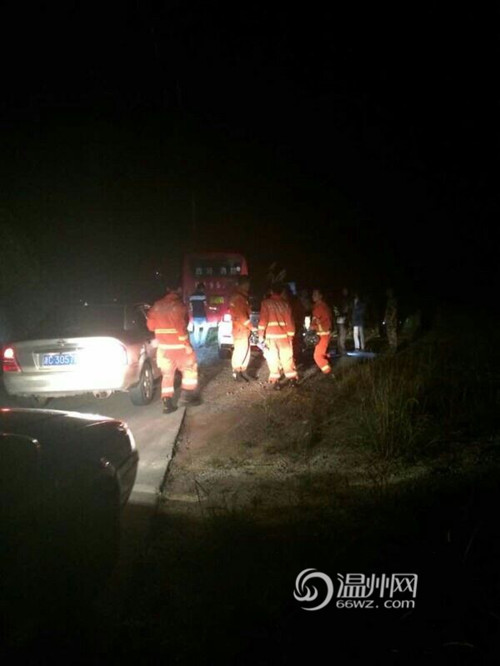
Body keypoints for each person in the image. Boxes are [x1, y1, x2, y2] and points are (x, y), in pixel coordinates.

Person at [147, 286, 201, 413]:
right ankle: (187, 398)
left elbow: (150, 327)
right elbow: (181, 328)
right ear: (179, 290)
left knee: (167, 375)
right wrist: (187, 345)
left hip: (163, 349)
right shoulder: (179, 306)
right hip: (179, 348)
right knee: (189, 370)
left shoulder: (156, 306)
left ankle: (167, 404)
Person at [258, 283, 298, 389]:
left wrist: (261, 336)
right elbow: (290, 322)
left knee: (272, 358)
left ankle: (276, 383)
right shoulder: (285, 304)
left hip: (270, 337)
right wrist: (290, 337)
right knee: (287, 357)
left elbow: (263, 321)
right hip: (284, 337)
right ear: (282, 292)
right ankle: (292, 380)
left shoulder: (265, 303)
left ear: (271, 291)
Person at [229, 276, 256, 381]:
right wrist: (251, 327)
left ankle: (241, 371)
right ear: (242, 285)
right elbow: (242, 316)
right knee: (241, 350)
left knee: (245, 350)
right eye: (247, 285)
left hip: (241, 329)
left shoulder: (240, 296)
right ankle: (237, 372)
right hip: (240, 329)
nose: (248, 287)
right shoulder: (239, 298)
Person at [310, 288, 334, 377]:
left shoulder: (321, 307)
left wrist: (313, 327)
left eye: (315, 294)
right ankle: (328, 366)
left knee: (317, 356)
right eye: (313, 294)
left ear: (321, 296)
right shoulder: (319, 306)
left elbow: (326, 324)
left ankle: (328, 372)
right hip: (322, 334)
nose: (313, 296)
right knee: (322, 354)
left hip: (323, 335)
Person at [284, 285, 306, 366]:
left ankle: (296, 359)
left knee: (295, 344)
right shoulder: (290, 301)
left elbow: (300, 313)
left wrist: (299, 323)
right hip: (292, 325)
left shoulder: (293, 302)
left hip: (295, 325)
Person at [189, 282, 208, 348]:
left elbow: (191, 307)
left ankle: (197, 343)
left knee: (196, 330)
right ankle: (202, 342)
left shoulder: (192, 296)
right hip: (202, 315)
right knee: (205, 329)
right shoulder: (203, 296)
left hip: (195, 315)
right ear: (202, 288)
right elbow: (205, 305)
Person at [334, 287, 350, 355]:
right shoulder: (344, 300)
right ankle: (342, 349)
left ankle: (339, 349)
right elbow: (344, 310)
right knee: (342, 335)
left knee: (340, 335)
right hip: (342, 319)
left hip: (340, 319)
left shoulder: (340, 300)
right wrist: (345, 316)